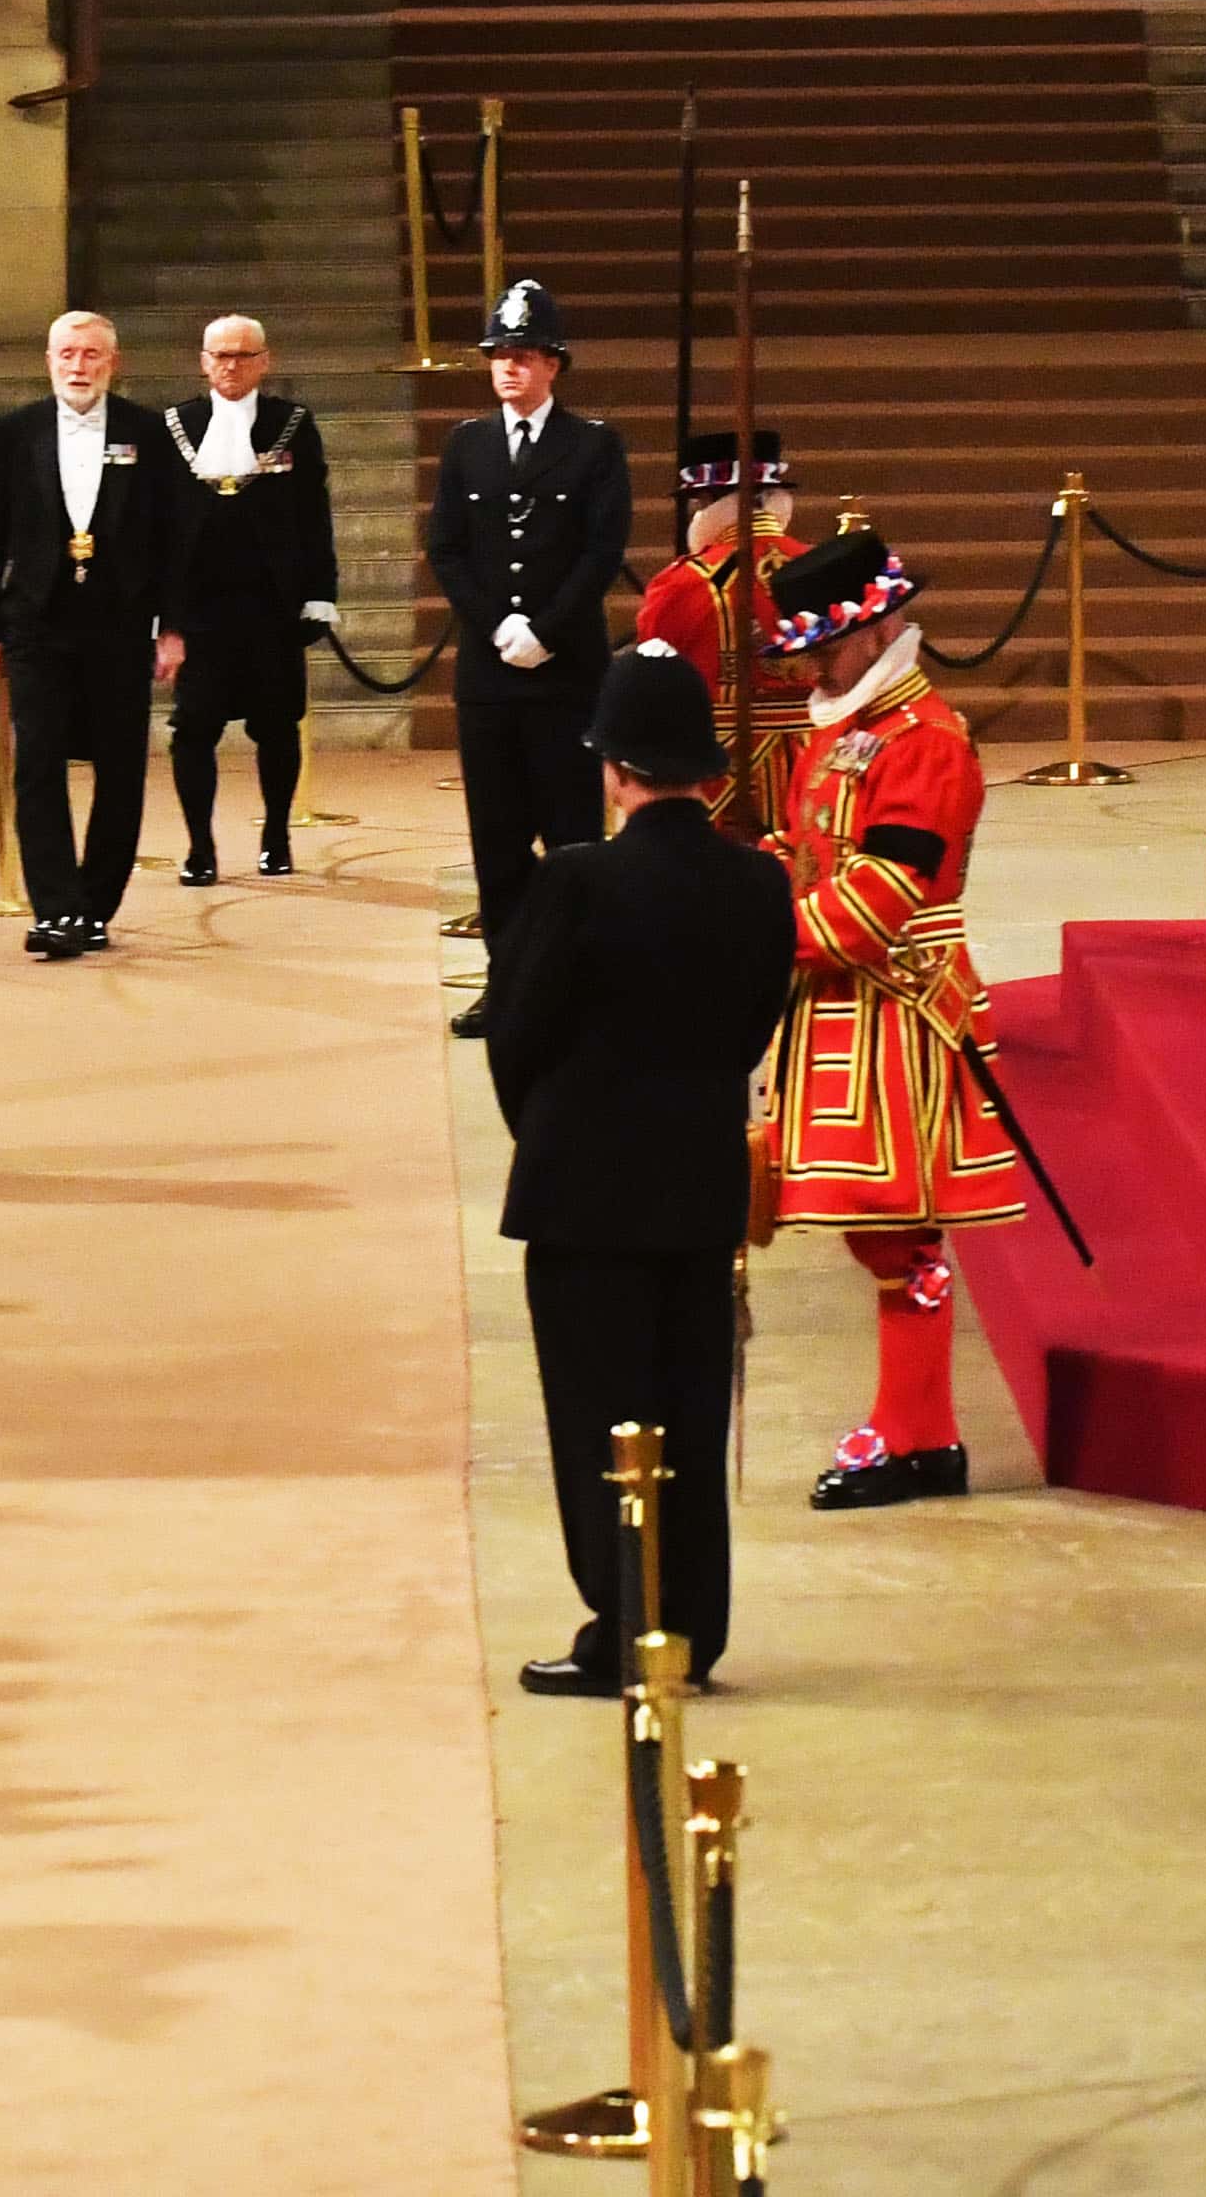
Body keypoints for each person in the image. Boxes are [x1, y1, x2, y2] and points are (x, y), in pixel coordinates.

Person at [486, 645, 796, 1696]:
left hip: (583, 1197)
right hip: (696, 1186)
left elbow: (516, 1034)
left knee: (600, 1422)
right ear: (704, 771)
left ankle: (623, 1622)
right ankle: (690, 1630)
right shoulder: (758, 881)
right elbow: (758, 1020)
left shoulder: (573, 880)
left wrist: (552, 1131)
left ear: (613, 768)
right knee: (689, 1410)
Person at [755, 529, 1030, 1509]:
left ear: (872, 633)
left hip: (899, 1009)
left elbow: (880, 900)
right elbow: (802, 847)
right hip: (840, 1004)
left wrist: (753, 938)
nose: (808, 666)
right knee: (880, 1238)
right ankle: (918, 1431)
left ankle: (918, 1436)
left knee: (900, 1235)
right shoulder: (844, 723)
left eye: (820, 648)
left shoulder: (926, 742)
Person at [430, 279, 630, 1037]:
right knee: (499, 841)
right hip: (489, 680)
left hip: (565, 671)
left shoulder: (593, 446)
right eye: (498, 356)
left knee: (573, 836)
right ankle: (509, 982)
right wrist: (495, 626)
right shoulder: (467, 444)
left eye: (522, 355)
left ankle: (577, 983)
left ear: (554, 363)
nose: (508, 368)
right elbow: (446, 549)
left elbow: (600, 551)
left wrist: (544, 629)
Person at [0, 311, 193, 961]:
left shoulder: (146, 432)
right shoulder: (17, 432)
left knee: (120, 770)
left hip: (121, 626)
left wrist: (172, 629)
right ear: (48, 360)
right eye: (67, 353)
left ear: (112, 363)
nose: (78, 366)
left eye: (91, 354)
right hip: (37, 623)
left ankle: (96, 905)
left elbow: (175, 541)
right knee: (37, 767)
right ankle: (56, 907)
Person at [160, 313, 341, 883]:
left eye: (242, 355)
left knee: (277, 726)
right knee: (193, 731)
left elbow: (315, 518)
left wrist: (319, 596)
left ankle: (277, 833)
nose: (229, 366)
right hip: (199, 610)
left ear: (265, 361)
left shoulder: (293, 423)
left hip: (271, 605)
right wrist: (161, 613)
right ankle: (199, 847)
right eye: (219, 355)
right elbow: (157, 525)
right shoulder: (174, 424)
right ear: (203, 361)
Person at [629, 428, 811, 841]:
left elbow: (652, 689)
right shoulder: (815, 565)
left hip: (719, 780)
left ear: (707, 503)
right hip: (813, 771)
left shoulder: (683, 584)